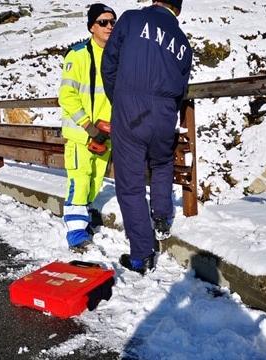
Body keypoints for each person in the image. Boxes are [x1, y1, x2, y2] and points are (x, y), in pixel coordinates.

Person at [102, 0, 192, 274]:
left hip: (131, 109)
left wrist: (119, 99)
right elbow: (182, 88)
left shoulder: (130, 20)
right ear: (177, 9)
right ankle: (162, 218)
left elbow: (109, 64)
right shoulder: (183, 45)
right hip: (165, 115)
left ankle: (142, 255)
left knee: (130, 184)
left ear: (154, 0)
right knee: (162, 162)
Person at [59, 3, 117, 252]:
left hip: (106, 133)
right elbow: (67, 95)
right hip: (83, 133)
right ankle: (75, 233)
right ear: (92, 26)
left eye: (112, 21)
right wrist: (87, 126)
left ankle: (86, 217)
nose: (109, 26)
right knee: (79, 180)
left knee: (94, 181)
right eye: (103, 22)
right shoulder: (78, 54)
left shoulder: (117, 55)